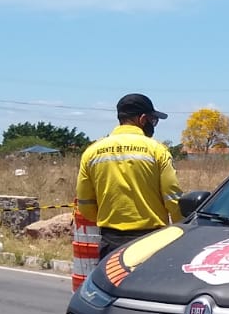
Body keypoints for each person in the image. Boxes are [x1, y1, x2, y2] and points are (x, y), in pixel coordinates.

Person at [76, 92, 182, 259]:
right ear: (142, 119)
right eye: (153, 120)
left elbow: (85, 204)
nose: (153, 125)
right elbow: (173, 198)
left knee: (111, 277)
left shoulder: (92, 152)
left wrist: (111, 219)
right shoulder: (157, 150)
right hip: (150, 241)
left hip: (110, 241)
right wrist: (182, 229)